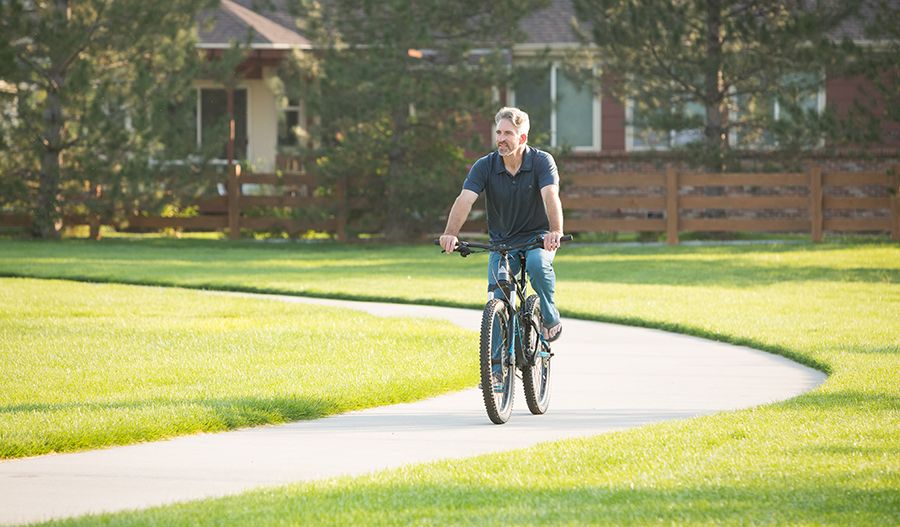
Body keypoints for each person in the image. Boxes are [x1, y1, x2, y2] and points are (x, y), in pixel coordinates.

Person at [439, 106, 565, 342]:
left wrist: (555, 231)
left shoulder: (541, 161)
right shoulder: (485, 166)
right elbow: (465, 199)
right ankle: (496, 373)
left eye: (507, 134)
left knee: (538, 266)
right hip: (502, 244)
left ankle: (549, 315)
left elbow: (550, 196)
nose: (500, 139)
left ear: (522, 137)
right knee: (497, 298)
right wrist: (450, 233)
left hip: (537, 239)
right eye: (498, 133)